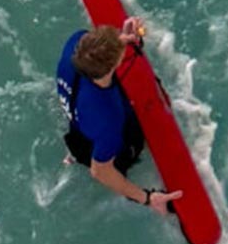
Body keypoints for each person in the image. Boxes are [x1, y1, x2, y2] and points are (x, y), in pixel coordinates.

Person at [55, 17, 181, 219]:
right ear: (113, 65)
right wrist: (147, 198)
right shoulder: (109, 123)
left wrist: (118, 41)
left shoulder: (76, 42)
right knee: (133, 141)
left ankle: (73, 155)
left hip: (80, 118)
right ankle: (80, 158)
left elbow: (93, 50)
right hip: (98, 139)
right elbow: (100, 172)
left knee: (94, 123)